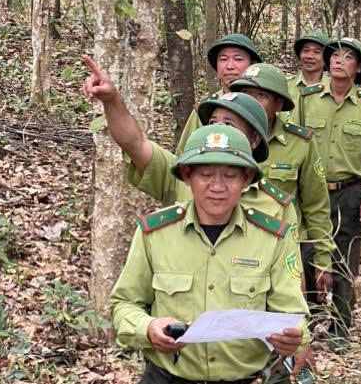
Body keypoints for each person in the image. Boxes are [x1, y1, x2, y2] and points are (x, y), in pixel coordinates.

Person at [110, 124, 308, 384]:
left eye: (230, 176)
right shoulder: (155, 234)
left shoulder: (273, 238)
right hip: (168, 377)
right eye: (205, 174)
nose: (217, 186)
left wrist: (293, 337)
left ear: (246, 180)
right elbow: (124, 304)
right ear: (187, 176)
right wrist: (148, 328)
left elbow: (293, 314)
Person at [81, 55, 297, 223]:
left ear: (254, 140)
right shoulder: (183, 179)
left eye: (229, 124)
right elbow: (134, 143)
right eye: (213, 122)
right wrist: (112, 100)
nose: (218, 130)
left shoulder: (275, 207)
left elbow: (287, 278)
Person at [300, 37, 361, 347]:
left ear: (359, 67)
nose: (338, 61)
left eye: (348, 57)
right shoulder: (308, 98)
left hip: (348, 192)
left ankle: (340, 329)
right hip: (310, 193)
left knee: (344, 260)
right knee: (308, 254)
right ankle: (312, 319)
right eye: (334, 55)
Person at [228, 63, 334, 301]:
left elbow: (316, 205)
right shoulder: (225, 136)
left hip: (282, 251)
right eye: (246, 94)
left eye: (261, 95)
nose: (252, 101)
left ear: (278, 104)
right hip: (232, 249)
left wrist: (322, 259)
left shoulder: (300, 143)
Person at [175, 34, 263, 155]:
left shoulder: (267, 104)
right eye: (223, 59)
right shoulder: (205, 109)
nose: (230, 66)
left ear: (253, 65)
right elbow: (183, 156)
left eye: (238, 59)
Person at [287, 31, 329, 126]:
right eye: (306, 51)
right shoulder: (284, 86)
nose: (310, 56)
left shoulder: (333, 90)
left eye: (317, 52)